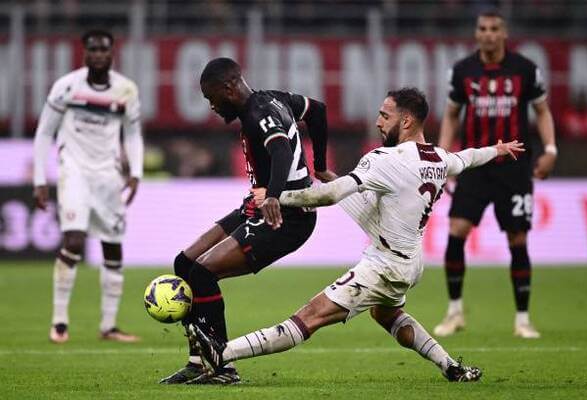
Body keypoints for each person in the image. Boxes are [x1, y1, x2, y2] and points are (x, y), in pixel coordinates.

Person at [188, 88, 524, 382]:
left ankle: (222, 353)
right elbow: (466, 158)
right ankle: (450, 366)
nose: (378, 122)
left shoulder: (383, 159)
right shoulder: (438, 158)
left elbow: (329, 196)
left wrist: (279, 196)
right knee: (386, 314)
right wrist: (496, 149)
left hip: (383, 266)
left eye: (384, 115)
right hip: (409, 262)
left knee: (308, 318)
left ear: (405, 122)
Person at [160, 57, 336, 385]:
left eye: (211, 96)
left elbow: (281, 150)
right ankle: (199, 362)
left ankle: (223, 367)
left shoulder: (259, 114)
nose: (211, 105)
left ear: (228, 87)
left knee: (203, 272)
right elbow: (318, 110)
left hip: (288, 217)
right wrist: (321, 164)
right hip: (259, 207)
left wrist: (273, 195)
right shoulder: (276, 98)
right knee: (184, 263)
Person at [433, 9, 557, 339]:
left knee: (518, 238)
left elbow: (542, 112)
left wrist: (550, 149)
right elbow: (451, 116)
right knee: (456, 231)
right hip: (475, 165)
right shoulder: (462, 71)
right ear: (476, 33)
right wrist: (445, 160)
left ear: (504, 33)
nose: (487, 34)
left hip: (514, 168)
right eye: (482, 28)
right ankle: (455, 311)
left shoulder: (525, 69)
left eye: (494, 29)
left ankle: (522, 319)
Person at [33, 30, 144, 343]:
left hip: (109, 177)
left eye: (103, 50)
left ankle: (108, 327)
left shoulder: (126, 90)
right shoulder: (67, 87)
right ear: (84, 53)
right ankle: (59, 321)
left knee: (113, 246)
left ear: (112, 53)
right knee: (75, 240)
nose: (98, 55)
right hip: (74, 173)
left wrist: (135, 173)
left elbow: (132, 135)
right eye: (92, 49)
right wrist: (40, 179)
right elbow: (44, 133)